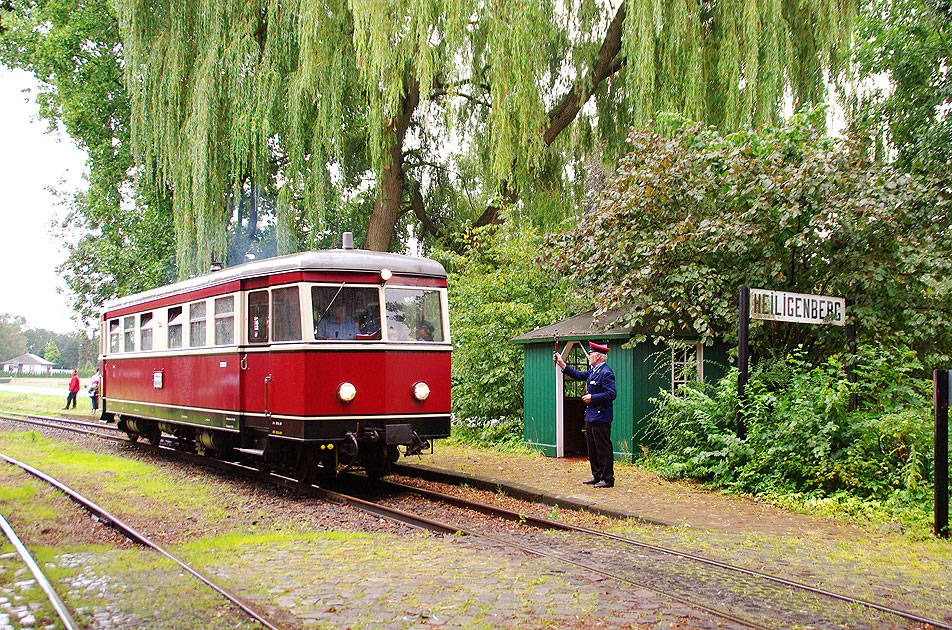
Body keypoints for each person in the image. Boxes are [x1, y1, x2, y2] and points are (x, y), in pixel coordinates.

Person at [554, 342, 617, 488]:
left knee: (603, 448)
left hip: (601, 416)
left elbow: (611, 394)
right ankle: (597, 476)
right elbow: (578, 375)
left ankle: (607, 479)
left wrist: (592, 398)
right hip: (591, 415)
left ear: (599, 356)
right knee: (592, 447)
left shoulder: (606, 373)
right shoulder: (594, 371)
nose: (588, 356)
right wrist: (562, 364)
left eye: (591, 354)